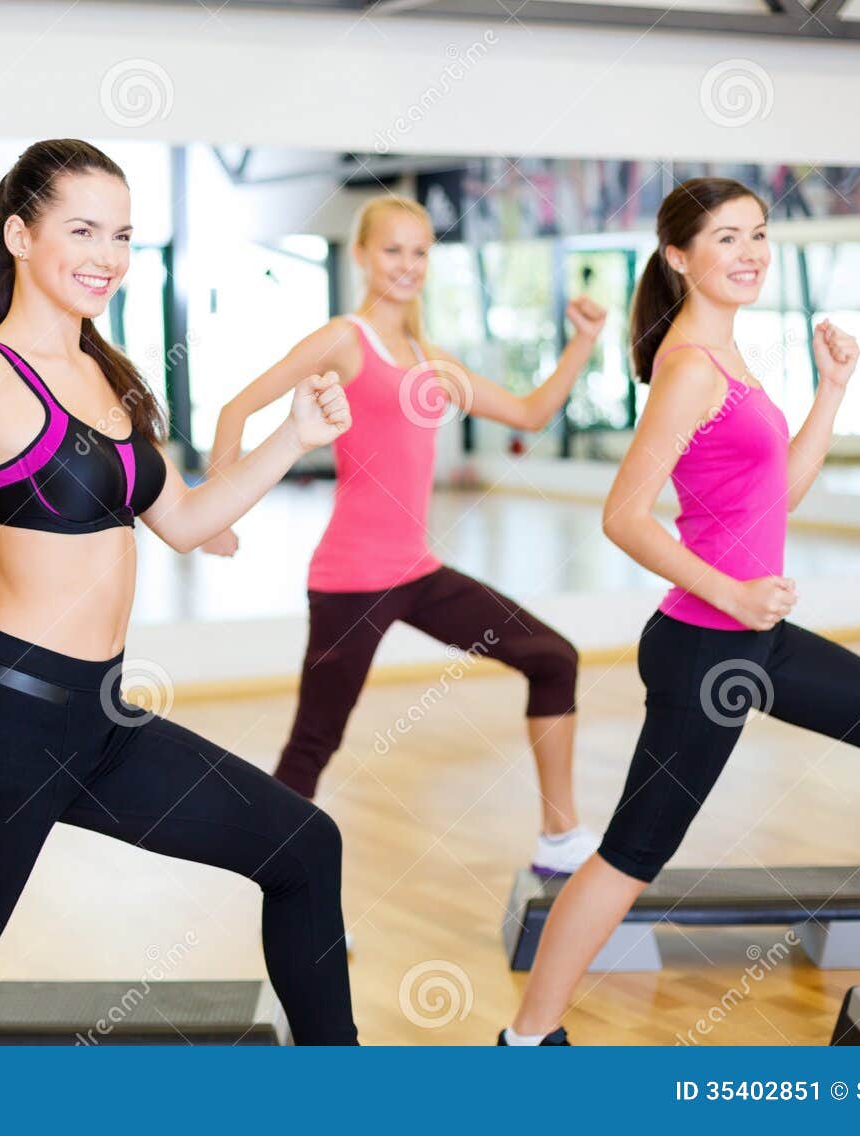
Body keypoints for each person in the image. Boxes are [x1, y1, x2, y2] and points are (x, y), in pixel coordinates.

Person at [0, 139, 359, 1046]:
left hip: (100, 721)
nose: (106, 255)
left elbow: (183, 521)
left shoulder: (105, 372)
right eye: (82, 230)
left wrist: (292, 434)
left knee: (303, 847)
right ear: (20, 235)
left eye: (121, 235)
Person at [498, 179, 860, 1047]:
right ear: (678, 257)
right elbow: (624, 515)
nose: (749, 254)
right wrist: (731, 591)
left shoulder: (729, 359)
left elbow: (777, 493)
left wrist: (833, 388)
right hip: (706, 651)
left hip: (751, 641)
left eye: (759, 236)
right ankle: (527, 1043)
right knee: (632, 856)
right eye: (726, 239)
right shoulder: (691, 369)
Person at [208, 194, 609, 879]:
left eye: (420, 252)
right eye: (392, 250)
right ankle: (278, 885)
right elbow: (236, 405)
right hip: (350, 580)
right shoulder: (344, 339)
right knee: (313, 744)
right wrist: (217, 514)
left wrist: (581, 342)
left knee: (554, 658)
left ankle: (560, 837)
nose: (407, 265)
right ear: (362, 256)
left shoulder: (429, 358)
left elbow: (530, 411)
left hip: (417, 574)